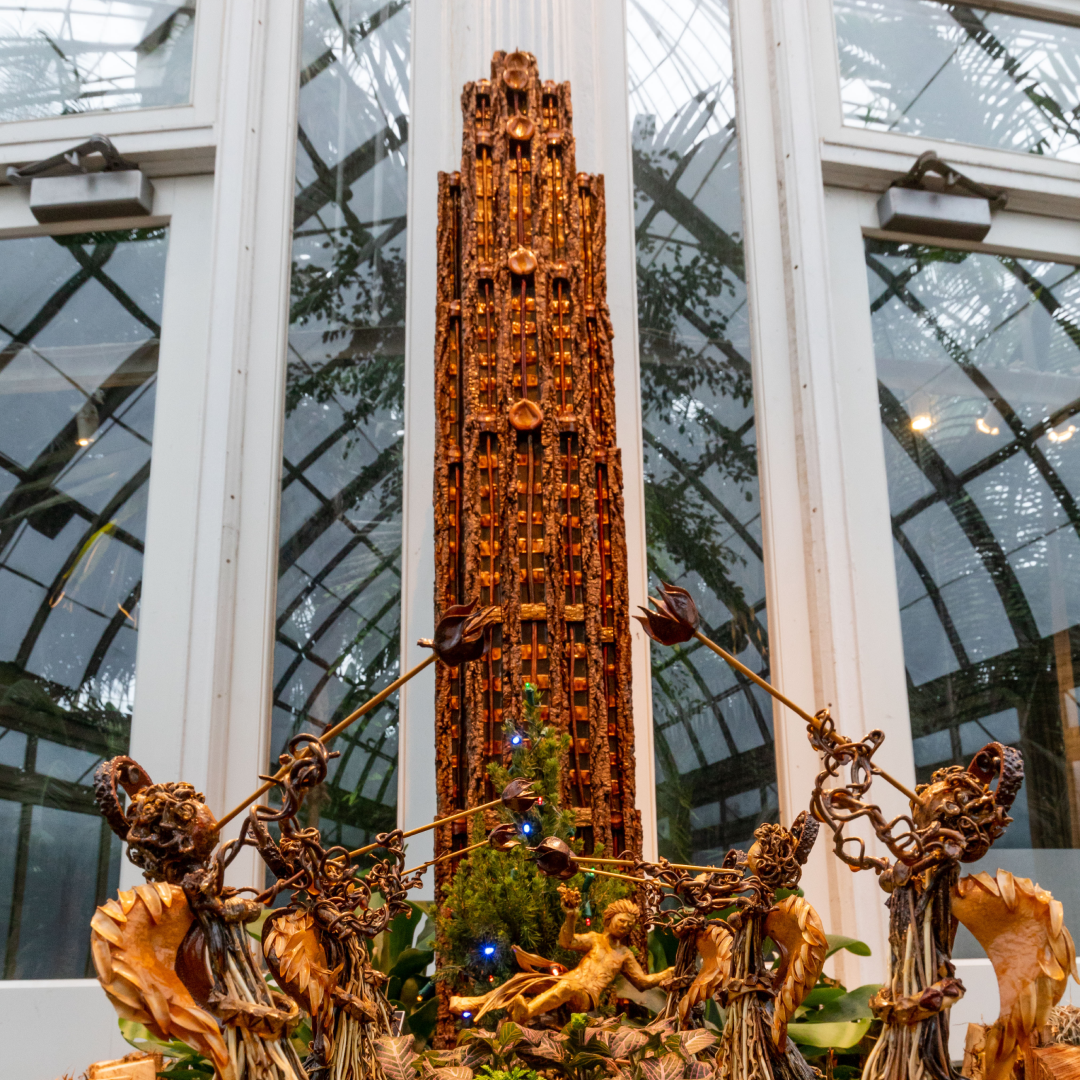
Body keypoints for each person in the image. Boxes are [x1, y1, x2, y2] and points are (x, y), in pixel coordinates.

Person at [449, 885, 673, 1023]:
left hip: (586, 997)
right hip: (565, 980)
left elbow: (643, 982)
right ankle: (474, 1003)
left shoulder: (624, 955)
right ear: (610, 918)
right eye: (622, 921)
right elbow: (567, 941)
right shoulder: (595, 939)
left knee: (568, 987)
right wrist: (571, 917)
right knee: (522, 980)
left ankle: (526, 1012)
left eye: (629, 925)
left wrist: (669, 972)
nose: (625, 926)